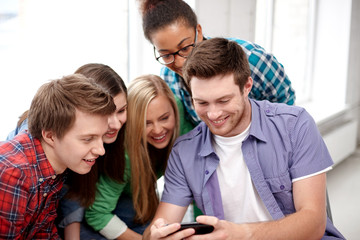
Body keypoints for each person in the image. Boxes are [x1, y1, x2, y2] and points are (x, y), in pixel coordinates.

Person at [143, 38, 345, 240]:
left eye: (224, 100)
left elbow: (314, 224)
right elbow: (157, 228)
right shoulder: (184, 152)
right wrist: (156, 236)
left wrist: (241, 234)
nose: (213, 114)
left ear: (247, 86)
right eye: (202, 102)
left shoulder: (295, 125)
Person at [4, 63, 128, 240]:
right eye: (88, 139)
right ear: (51, 136)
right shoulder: (14, 173)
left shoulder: (54, 168)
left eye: (122, 111)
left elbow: (44, 232)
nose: (101, 150)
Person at [139, 0, 296, 127]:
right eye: (166, 55)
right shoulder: (168, 77)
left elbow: (286, 105)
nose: (180, 63)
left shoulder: (253, 59)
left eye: (185, 47)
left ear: (198, 31)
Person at [85, 74, 194, 240]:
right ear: (134, 123)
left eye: (164, 118)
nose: (158, 130)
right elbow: (96, 213)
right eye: (146, 123)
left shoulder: (181, 117)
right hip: (111, 205)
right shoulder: (125, 155)